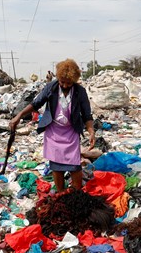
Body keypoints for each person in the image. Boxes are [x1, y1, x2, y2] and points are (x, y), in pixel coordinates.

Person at [10, 59, 95, 192]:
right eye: (62, 82)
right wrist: (18, 116)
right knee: (56, 165)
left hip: (71, 132)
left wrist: (91, 131)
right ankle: (61, 193)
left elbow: (86, 114)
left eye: (69, 83)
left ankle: (77, 193)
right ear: (58, 78)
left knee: (74, 165)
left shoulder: (80, 91)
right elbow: (35, 104)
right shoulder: (51, 87)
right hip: (53, 131)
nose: (65, 86)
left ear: (74, 80)